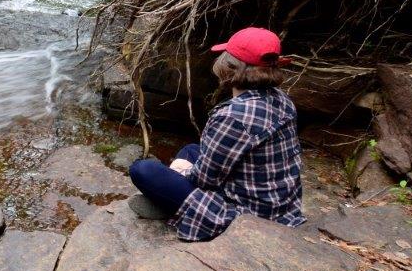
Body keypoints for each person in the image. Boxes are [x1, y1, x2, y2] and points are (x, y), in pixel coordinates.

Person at [128, 27, 304, 241]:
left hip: (247, 215)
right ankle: (172, 201)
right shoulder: (282, 99)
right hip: (280, 205)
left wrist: (180, 174)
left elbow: (205, 180)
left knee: (142, 169)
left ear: (228, 68)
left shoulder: (232, 116)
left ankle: (173, 206)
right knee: (191, 150)